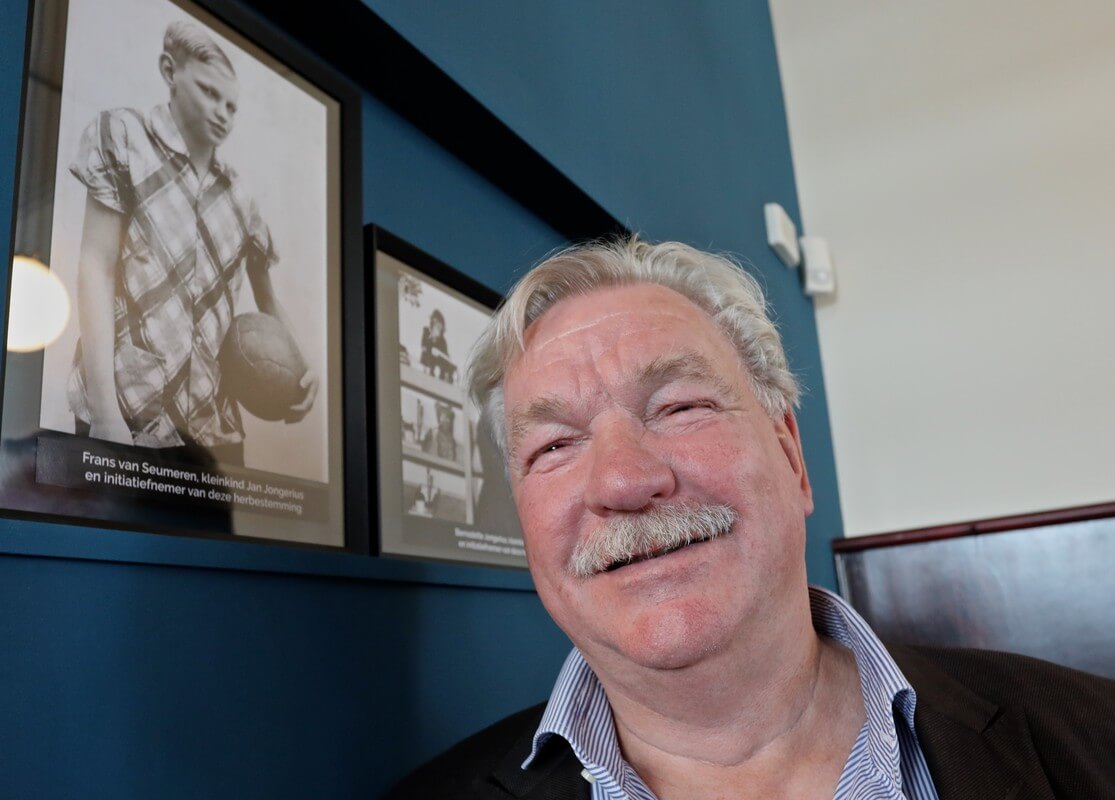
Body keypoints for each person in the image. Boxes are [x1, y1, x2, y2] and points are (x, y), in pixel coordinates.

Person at [388, 237, 1115, 799]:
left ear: (790, 456)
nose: (623, 479)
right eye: (552, 446)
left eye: (679, 407)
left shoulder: (1092, 738)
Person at [67, 19, 316, 465]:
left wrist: (301, 371)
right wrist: (105, 416)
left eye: (232, 106)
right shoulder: (122, 138)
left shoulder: (242, 198)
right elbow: (95, 268)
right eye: (208, 92)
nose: (222, 112)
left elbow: (268, 302)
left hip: (213, 432)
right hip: (126, 417)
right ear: (169, 71)